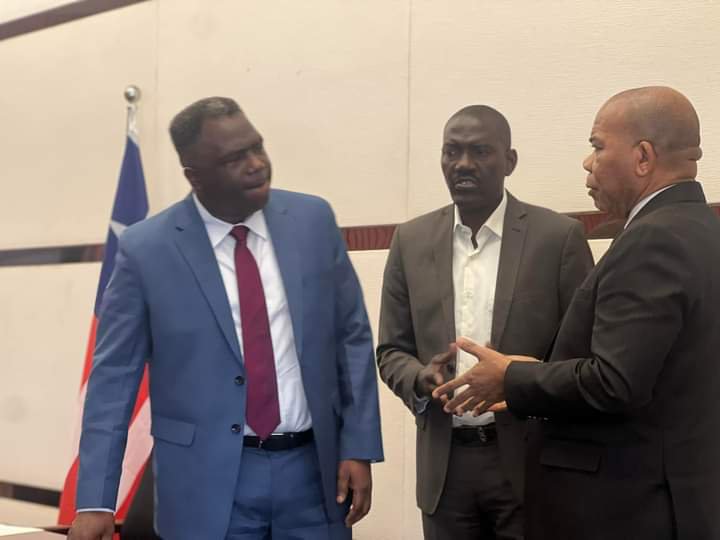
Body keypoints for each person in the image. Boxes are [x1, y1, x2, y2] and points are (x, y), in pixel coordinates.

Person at [68, 97, 383, 540]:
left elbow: (351, 336)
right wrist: (95, 500)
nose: (257, 165)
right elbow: (114, 379)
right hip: (204, 484)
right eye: (235, 159)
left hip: (313, 475)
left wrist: (359, 445)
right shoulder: (146, 250)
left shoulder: (312, 221)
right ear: (194, 176)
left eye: (257, 147)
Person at [434, 87, 720, 539]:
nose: (588, 163)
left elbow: (615, 382)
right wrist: (539, 371)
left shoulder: (653, 240)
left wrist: (512, 377)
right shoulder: (702, 229)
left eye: (597, 146)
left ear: (643, 157)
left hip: (629, 510)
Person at [377, 105, 593, 540]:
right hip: (445, 467)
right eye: (451, 151)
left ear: (509, 161)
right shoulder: (410, 240)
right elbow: (391, 350)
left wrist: (519, 379)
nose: (463, 164)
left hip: (531, 460)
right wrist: (420, 378)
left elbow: (583, 356)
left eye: (480, 151)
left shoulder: (558, 238)